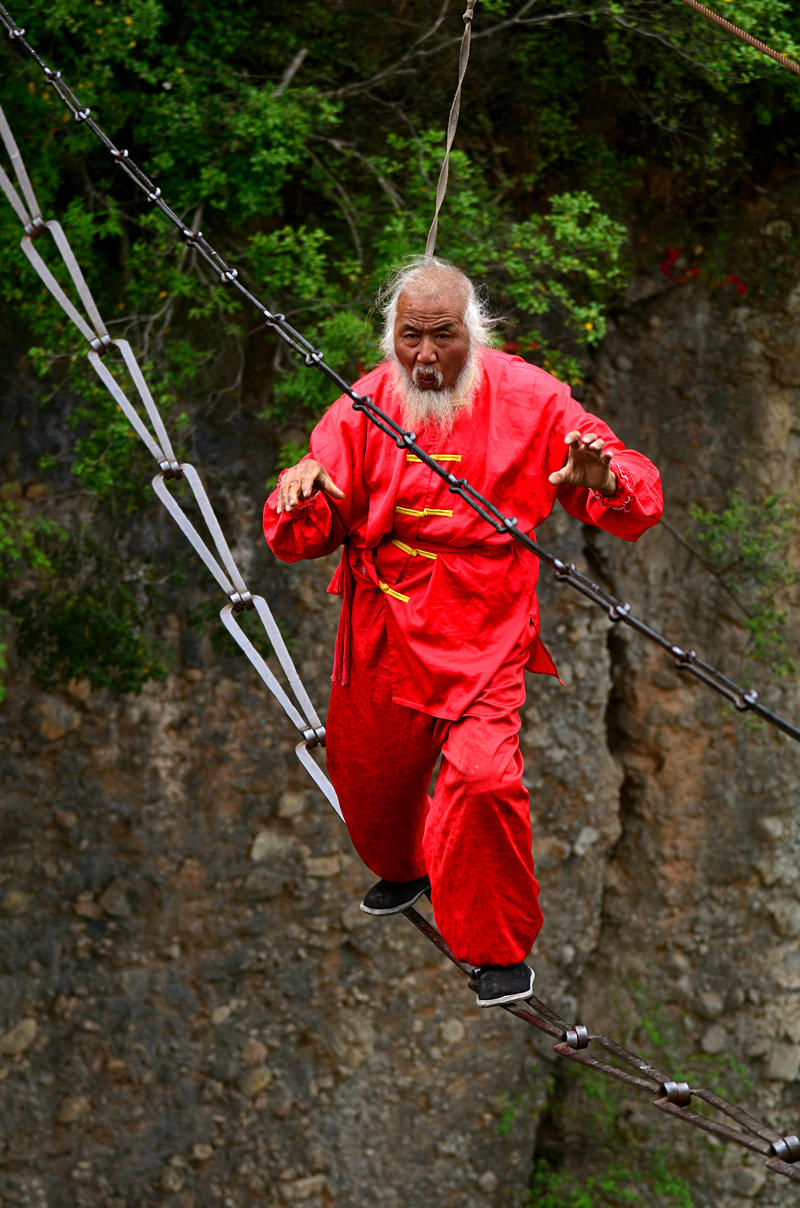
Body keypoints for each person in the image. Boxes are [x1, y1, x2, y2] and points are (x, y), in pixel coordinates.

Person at [263, 256, 662, 1007]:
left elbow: (632, 487)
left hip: (485, 628)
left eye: (442, 336)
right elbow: (302, 531)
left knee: (484, 781)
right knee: (375, 804)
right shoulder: (364, 406)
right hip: (381, 629)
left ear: (473, 334)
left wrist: (606, 480)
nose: (425, 355)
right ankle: (408, 860)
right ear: (391, 339)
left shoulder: (532, 400)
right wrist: (297, 497)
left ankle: (495, 950)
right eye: (411, 337)